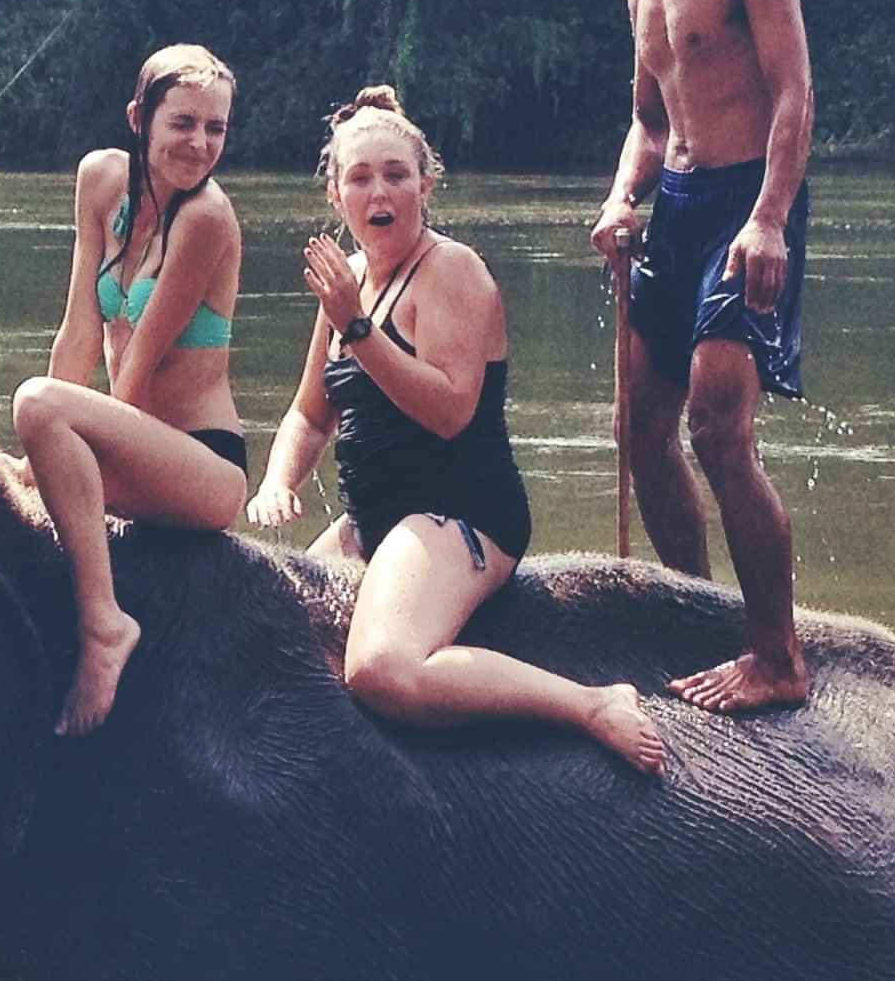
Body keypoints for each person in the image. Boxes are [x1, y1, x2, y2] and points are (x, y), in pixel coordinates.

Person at [250, 88, 665, 775]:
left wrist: (358, 327)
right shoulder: (346, 282)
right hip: (372, 519)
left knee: (381, 669)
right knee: (272, 641)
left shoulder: (451, 270)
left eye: (395, 174)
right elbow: (308, 413)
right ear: (336, 196)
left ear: (425, 185)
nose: (379, 191)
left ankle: (592, 704)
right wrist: (277, 481)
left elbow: (450, 411)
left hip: (458, 511)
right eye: (359, 177)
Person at [582, 0, 817, 715]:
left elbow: (796, 94)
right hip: (676, 206)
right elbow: (647, 117)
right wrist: (618, 199)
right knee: (642, 429)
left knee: (719, 428)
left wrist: (767, 219)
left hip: (744, 203)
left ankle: (777, 654)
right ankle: (694, 613)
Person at [13, 43, 251, 735]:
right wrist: (37, 463)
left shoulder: (207, 218)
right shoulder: (98, 180)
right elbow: (79, 333)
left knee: (35, 403)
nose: (201, 144)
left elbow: (135, 374)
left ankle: (104, 626)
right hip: (131, 439)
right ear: (139, 118)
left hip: (202, 465)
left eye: (217, 128)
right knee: (37, 414)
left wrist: (49, 453)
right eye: (183, 123)